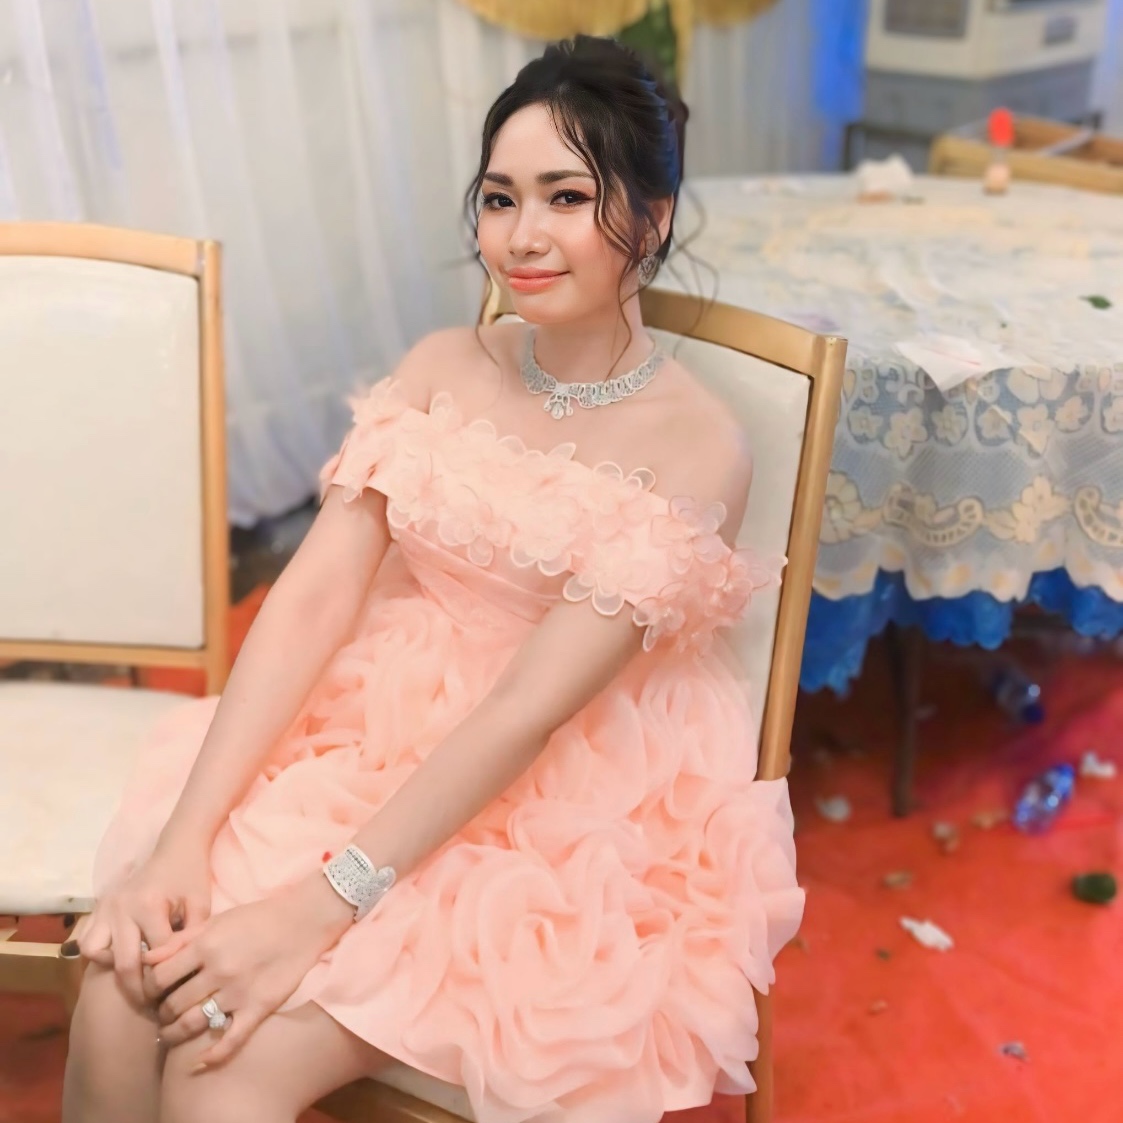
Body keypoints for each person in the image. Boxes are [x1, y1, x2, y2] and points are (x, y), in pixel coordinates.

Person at [62, 35, 803, 1123]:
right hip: (366, 729)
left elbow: (523, 711)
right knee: (117, 995)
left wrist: (320, 906)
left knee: (221, 1064)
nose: (522, 235)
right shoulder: (441, 364)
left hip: (547, 801)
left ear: (648, 220)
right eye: (501, 198)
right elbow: (311, 599)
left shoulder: (696, 447)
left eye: (566, 197)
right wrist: (182, 841)